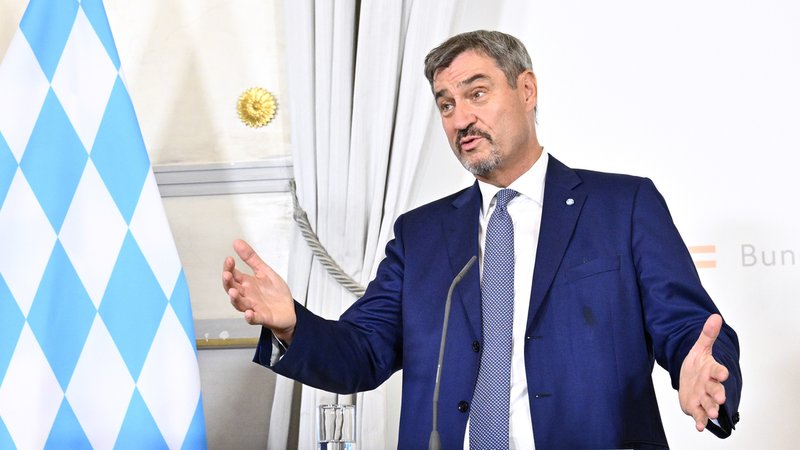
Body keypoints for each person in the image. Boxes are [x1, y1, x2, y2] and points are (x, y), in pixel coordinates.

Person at [223, 30, 741, 449]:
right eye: (446, 104)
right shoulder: (419, 235)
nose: (461, 118)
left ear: (527, 90)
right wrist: (293, 323)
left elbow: (690, 329)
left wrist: (707, 371)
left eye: (476, 93)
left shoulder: (622, 206)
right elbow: (363, 352)